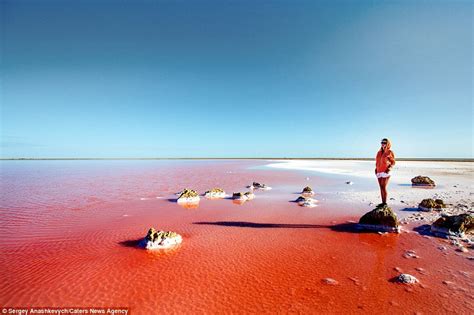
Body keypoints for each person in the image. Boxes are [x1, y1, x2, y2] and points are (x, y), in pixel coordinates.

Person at [375, 138, 395, 206]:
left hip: (386, 171)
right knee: (381, 187)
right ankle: (382, 202)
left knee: (384, 187)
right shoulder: (379, 152)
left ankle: (385, 203)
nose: (383, 144)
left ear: (388, 143)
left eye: (385, 142)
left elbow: (393, 162)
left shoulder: (389, 152)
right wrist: (376, 169)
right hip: (379, 171)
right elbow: (377, 161)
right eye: (382, 142)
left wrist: (389, 168)